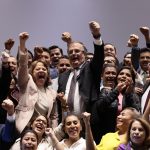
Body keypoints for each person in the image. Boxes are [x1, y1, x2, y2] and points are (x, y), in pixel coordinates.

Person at [57, 21, 104, 117]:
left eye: (77, 51)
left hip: (87, 122)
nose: (74, 53)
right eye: (71, 52)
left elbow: (99, 56)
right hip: (67, 123)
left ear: (84, 54)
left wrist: (96, 35)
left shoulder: (91, 69)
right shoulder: (63, 76)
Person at [15, 32, 58, 133]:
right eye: (38, 69)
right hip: (25, 128)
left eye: (44, 69)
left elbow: (53, 116)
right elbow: (23, 65)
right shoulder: (26, 82)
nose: (41, 71)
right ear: (31, 73)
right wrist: (22, 43)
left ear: (47, 74)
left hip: (42, 131)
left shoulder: (52, 93)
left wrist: (54, 132)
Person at [91, 66, 140, 144]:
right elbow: (100, 107)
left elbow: (136, 114)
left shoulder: (134, 96)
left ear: (132, 80)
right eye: (121, 74)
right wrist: (116, 91)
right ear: (117, 77)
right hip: (107, 134)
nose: (124, 76)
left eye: (128, 75)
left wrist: (129, 94)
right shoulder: (106, 91)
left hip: (126, 136)